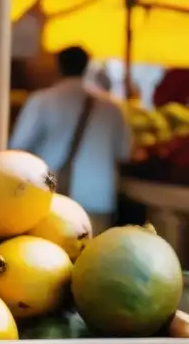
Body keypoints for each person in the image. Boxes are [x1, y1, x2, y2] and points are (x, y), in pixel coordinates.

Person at [9, 46, 132, 234]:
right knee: (93, 258)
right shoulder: (113, 108)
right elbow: (125, 153)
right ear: (87, 67)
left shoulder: (42, 101)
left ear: (58, 67)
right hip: (98, 198)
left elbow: (16, 146)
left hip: (51, 199)